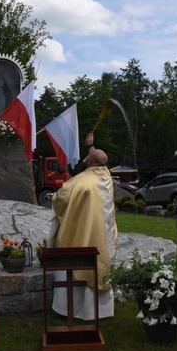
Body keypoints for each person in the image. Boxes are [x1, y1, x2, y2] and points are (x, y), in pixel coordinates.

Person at [48, 133, 118, 320]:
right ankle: (101, 311)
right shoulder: (107, 177)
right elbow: (98, 158)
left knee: (76, 266)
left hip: (81, 237)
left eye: (87, 158)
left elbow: (59, 200)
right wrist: (91, 145)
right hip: (102, 240)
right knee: (98, 266)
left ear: (88, 163)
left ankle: (72, 309)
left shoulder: (77, 183)